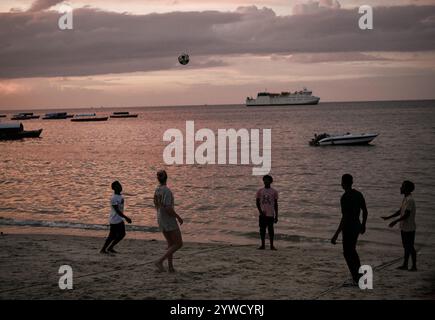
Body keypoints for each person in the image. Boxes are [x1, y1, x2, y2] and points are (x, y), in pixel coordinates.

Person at [331, 174, 368, 284]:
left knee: (347, 252)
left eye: (342, 182)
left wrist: (336, 234)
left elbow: (345, 217)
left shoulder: (345, 197)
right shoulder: (358, 194)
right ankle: (358, 275)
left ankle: (356, 277)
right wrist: (363, 225)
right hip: (357, 225)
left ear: (344, 183)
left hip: (348, 228)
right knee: (352, 250)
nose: (341, 183)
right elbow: (365, 211)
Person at [382, 180, 417, 271]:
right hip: (404, 227)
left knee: (410, 247)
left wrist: (395, 221)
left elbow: (406, 215)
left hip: (409, 227)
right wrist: (388, 217)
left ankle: (414, 266)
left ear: (407, 189)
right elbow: (400, 211)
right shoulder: (405, 198)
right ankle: (405, 265)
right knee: (406, 246)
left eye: (403, 186)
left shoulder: (410, 200)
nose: (401, 188)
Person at [153, 170, 183, 273]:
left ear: (158, 178)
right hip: (168, 220)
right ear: (167, 178)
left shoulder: (157, 190)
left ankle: (170, 267)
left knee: (171, 244)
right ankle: (160, 261)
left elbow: (157, 205)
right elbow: (168, 208)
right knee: (179, 244)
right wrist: (178, 217)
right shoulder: (167, 191)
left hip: (160, 219)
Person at [100, 181, 132, 254]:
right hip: (115, 220)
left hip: (119, 219)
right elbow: (117, 210)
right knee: (112, 236)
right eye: (118, 186)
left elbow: (120, 210)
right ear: (114, 188)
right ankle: (104, 249)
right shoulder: (114, 198)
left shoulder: (120, 196)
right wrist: (126, 218)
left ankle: (109, 248)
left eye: (120, 185)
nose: (120, 187)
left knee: (120, 234)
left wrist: (124, 217)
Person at [256, 175, 279, 250]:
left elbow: (275, 204)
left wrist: (276, 216)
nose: (266, 181)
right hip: (262, 214)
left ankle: (272, 246)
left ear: (270, 181)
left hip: (270, 214)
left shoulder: (274, 191)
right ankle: (263, 245)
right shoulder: (260, 191)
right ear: (263, 181)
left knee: (271, 231)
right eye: (265, 180)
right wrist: (260, 211)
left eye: (268, 180)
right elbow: (257, 202)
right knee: (262, 230)